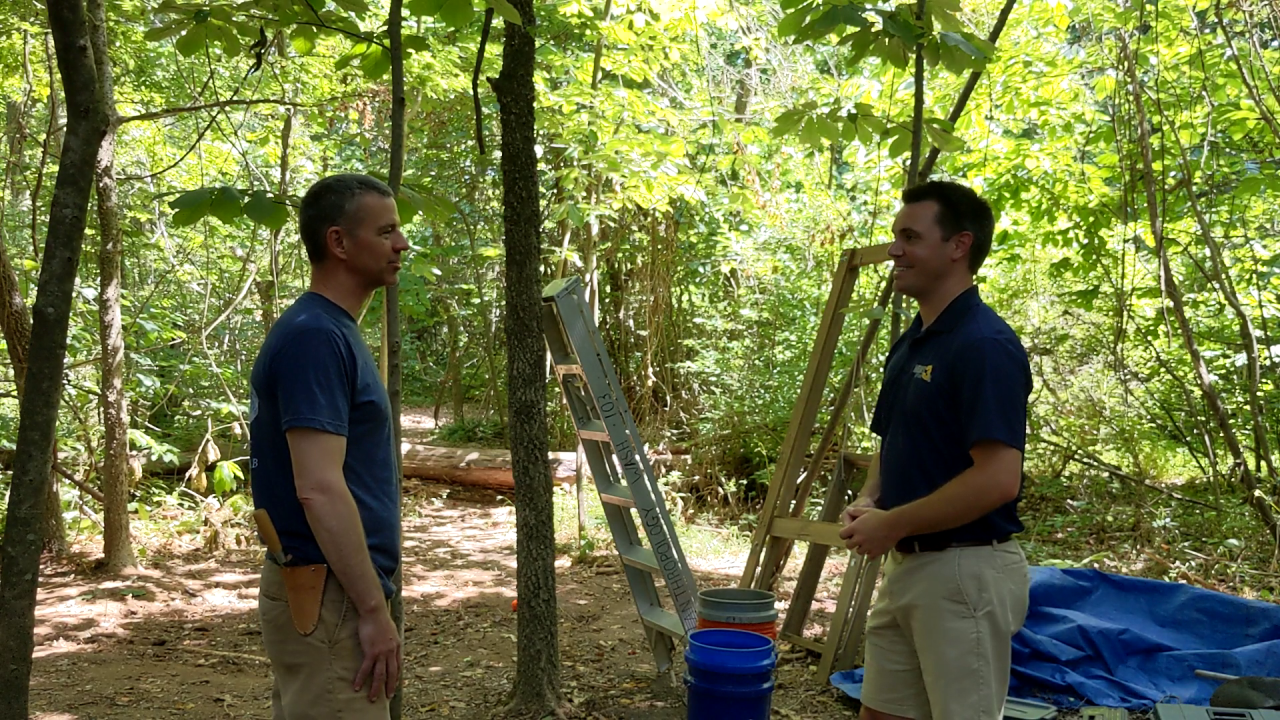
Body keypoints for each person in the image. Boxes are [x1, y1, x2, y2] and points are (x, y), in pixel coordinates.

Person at [838, 180, 1032, 720]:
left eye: (910, 236)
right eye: (895, 235)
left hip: (964, 575)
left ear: (958, 245)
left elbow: (997, 479)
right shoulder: (915, 339)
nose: (895, 250)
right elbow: (893, 439)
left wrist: (895, 523)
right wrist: (872, 500)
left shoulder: (985, 345)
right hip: (907, 570)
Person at [248, 173, 409, 719]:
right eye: (386, 231)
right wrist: (370, 609)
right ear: (338, 242)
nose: (401, 244)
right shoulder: (315, 336)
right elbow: (318, 486)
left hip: (330, 592)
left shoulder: (329, 330)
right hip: (333, 597)